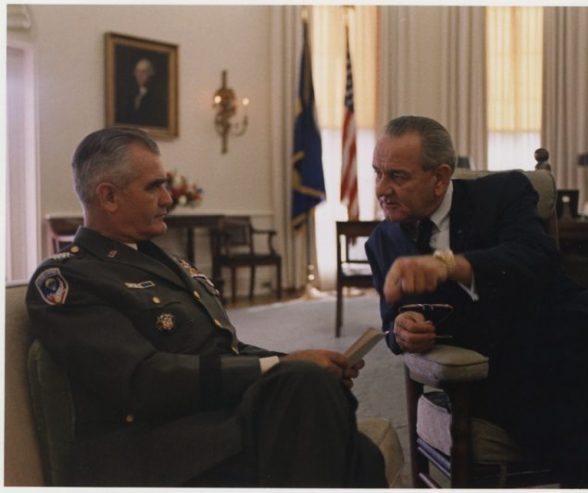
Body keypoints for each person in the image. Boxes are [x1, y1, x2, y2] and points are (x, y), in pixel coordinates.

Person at [365, 115, 588, 488]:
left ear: (439, 177)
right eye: (377, 173)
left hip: (574, 328)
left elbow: (533, 258)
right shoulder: (382, 242)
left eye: (396, 176)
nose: (381, 189)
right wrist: (402, 330)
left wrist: (451, 265)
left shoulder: (503, 192)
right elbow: (392, 320)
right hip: (507, 371)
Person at [26, 127, 386, 487]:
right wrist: (280, 367)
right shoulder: (70, 279)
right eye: (154, 187)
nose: (168, 198)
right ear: (108, 197)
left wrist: (298, 358)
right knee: (312, 397)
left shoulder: (167, 262)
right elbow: (141, 380)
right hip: (154, 448)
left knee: (351, 437)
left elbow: (223, 350)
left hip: (214, 424)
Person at [117, 58, 167, 127]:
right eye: (137, 71)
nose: (139, 75)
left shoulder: (157, 97)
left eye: (143, 72)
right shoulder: (130, 95)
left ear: (150, 74)